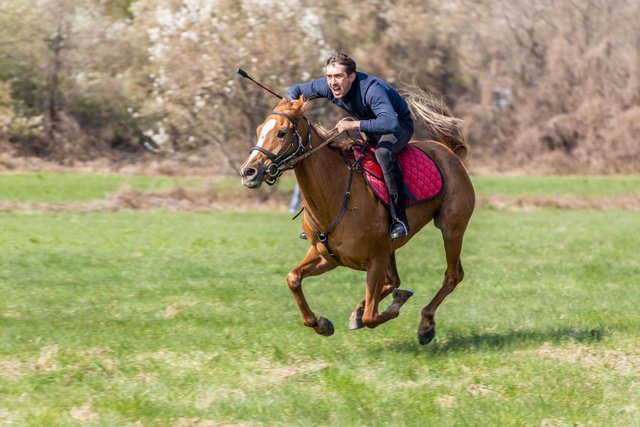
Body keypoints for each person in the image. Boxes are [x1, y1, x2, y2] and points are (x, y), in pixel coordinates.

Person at [286, 52, 413, 239]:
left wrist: (353, 124)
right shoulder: (328, 85)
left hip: (398, 127)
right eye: (329, 76)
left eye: (338, 76)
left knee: (383, 153)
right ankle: (325, 222)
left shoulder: (372, 90)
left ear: (351, 77)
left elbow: (390, 123)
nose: (332, 82)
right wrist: (291, 105)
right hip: (371, 128)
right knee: (340, 153)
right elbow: (294, 89)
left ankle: (399, 219)